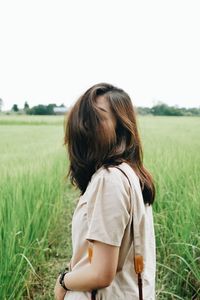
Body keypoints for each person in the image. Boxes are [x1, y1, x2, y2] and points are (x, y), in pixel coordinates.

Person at [54, 83, 156, 300]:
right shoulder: (129, 173)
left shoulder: (109, 179)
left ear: (121, 128)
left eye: (98, 118)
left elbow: (101, 273)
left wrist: (63, 281)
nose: (85, 126)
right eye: (84, 118)